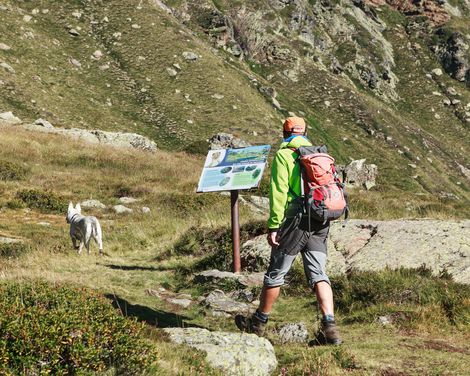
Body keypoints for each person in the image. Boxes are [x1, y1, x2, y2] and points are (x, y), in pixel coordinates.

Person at [235, 116, 342, 345]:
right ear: (304, 132)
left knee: (276, 273)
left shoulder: (284, 155)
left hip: (295, 220)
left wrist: (274, 225)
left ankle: (258, 323)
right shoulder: (318, 154)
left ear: (285, 133)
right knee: (319, 274)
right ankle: (330, 328)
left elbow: (279, 193)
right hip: (320, 217)